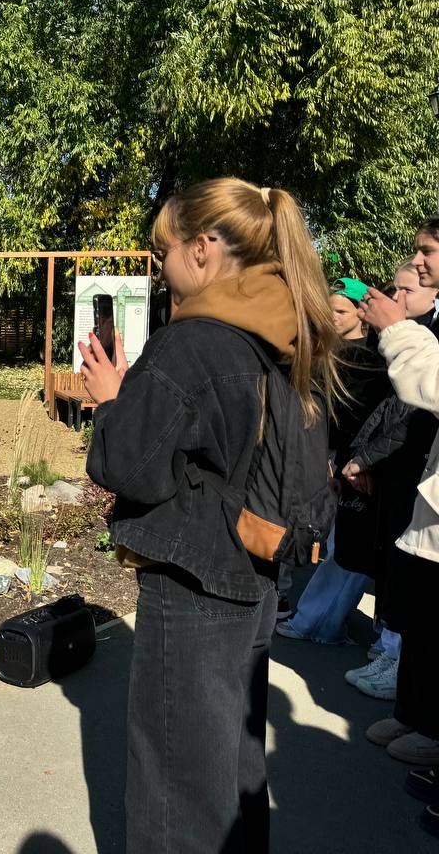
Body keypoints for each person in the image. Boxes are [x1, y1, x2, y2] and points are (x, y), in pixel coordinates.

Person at [81, 178, 340, 853]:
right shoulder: (277, 332)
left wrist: (112, 400)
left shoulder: (195, 342)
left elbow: (126, 465)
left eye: (161, 250)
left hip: (193, 583)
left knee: (176, 786)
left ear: (201, 249)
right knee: (230, 767)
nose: (158, 265)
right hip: (251, 576)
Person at [334, 261, 438, 699]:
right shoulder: (408, 337)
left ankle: (396, 664)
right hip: (398, 470)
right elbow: (389, 411)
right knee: (393, 569)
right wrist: (362, 455)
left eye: (405, 290)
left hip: (414, 469)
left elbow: (410, 415)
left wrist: (365, 457)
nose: (396, 299)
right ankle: (394, 663)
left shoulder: (423, 340)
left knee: (410, 582)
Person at [358, 222, 439, 784]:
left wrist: (399, 332)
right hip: (422, 493)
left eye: (426, 253)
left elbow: (424, 386)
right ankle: (413, 715)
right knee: (414, 606)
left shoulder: (419, 330)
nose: (417, 262)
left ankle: (430, 731)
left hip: (418, 474)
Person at [274, 278, 390, 645]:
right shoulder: (322, 352)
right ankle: (318, 619)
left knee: (348, 548)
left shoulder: (377, 357)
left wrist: (358, 460)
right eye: (329, 311)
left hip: (359, 463)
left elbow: (371, 415)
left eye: (340, 311)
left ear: (361, 312)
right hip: (329, 458)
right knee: (324, 538)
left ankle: (319, 622)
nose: (333, 318)